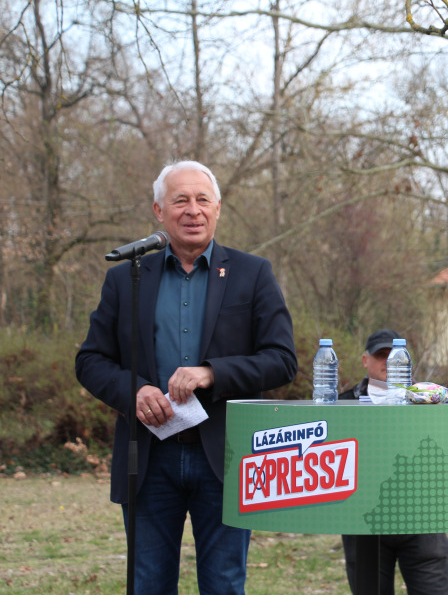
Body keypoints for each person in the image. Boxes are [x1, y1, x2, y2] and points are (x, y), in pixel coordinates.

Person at [75, 160, 298, 595]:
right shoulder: (126, 279)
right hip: (148, 459)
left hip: (227, 459)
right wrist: (133, 390)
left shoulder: (253, 274)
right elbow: (91, 360)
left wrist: (212, 372)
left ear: (218, 208)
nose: (192, 210)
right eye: (180, 200)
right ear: (159, 211)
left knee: (224, 584)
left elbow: (282, 360)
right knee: (148, 584)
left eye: (202, 200)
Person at [339, 329, 448, 595]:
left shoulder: (431, 400)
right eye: (381, 355)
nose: (388, 362)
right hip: (363, 524)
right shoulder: (341, 405)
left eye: (394, 357)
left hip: (423, 520)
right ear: (365, 360)